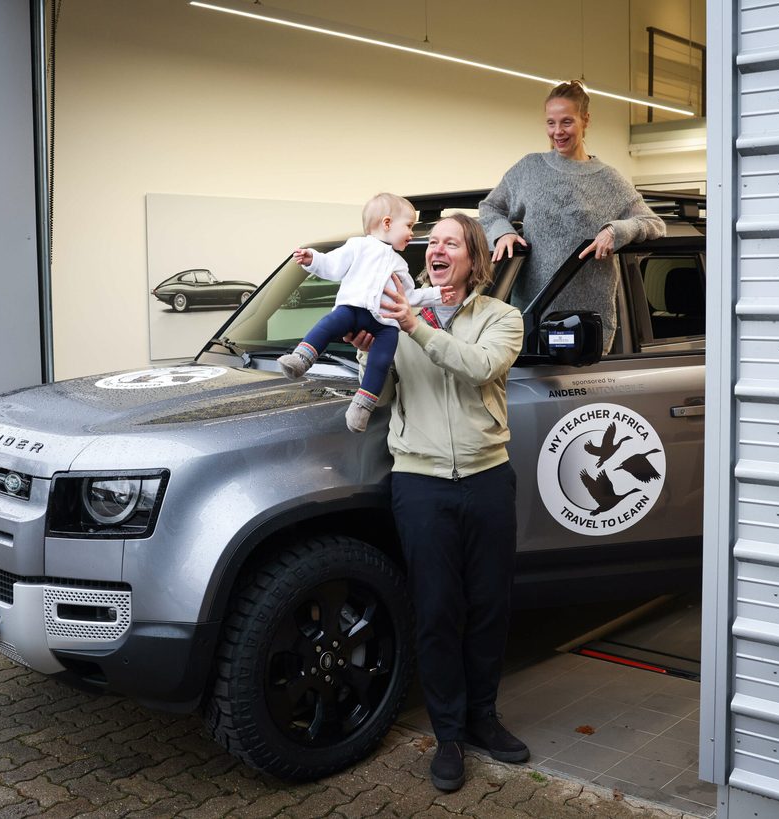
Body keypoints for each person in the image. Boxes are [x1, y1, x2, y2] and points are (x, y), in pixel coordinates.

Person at [350, 214, 526, 792]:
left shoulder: (501, 318)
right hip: (421, 484)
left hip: (487, 479)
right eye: (431, 243)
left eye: (451, 242)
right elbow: (386, 396)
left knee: (489, 607)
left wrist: (415, 329)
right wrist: (369, 353)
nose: (436, 250)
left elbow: (481, 367)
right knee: (437, 609)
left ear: (474, 259)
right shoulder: (399, 321)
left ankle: (482, 720)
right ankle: (448, 734)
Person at [479, 79, 665, 353]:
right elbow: (489, 208)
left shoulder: (609, 180)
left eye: (566, 122)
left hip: (587, 322)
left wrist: (615, 231)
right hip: (531, 316)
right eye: (550, 123)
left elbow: (654, 224)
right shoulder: (529, 169)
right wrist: (503, 231)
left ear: (585, 120)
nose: (557, 132)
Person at [278, 192, 454, 432]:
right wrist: (313, 259)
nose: (411, 233)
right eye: (409, 226)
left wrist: (435, 294)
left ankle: (361, 408)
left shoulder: (400, 264)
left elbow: (409, 297)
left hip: (385, 325)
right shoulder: (357, 245)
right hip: (353, 310)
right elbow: (332, 265)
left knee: (380, 362)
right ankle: (300, 360)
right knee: (328, 324)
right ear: (387, 223)